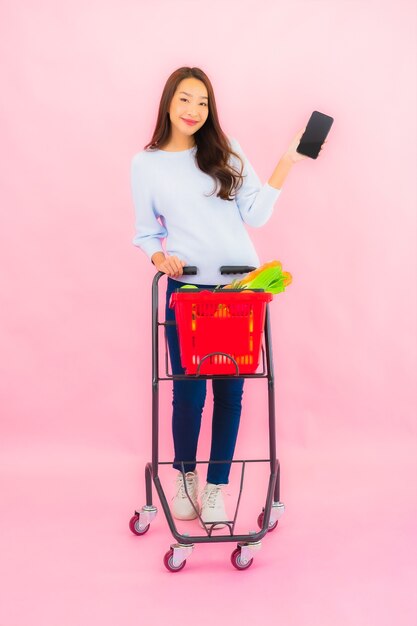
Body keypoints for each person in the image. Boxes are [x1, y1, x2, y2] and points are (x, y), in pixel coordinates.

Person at [131, 66, 309, 528]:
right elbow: (147, 233)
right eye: (186, 99)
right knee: (188, 393)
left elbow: (256, 214)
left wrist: (287, 160)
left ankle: (216, 490)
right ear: (169, 101)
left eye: (203, 102)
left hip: (239, 288)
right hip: (187, 290)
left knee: (230, 393)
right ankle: (184, 479)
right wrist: (158, 258)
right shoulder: (145, 164)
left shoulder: (226, 151)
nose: (194, 110)